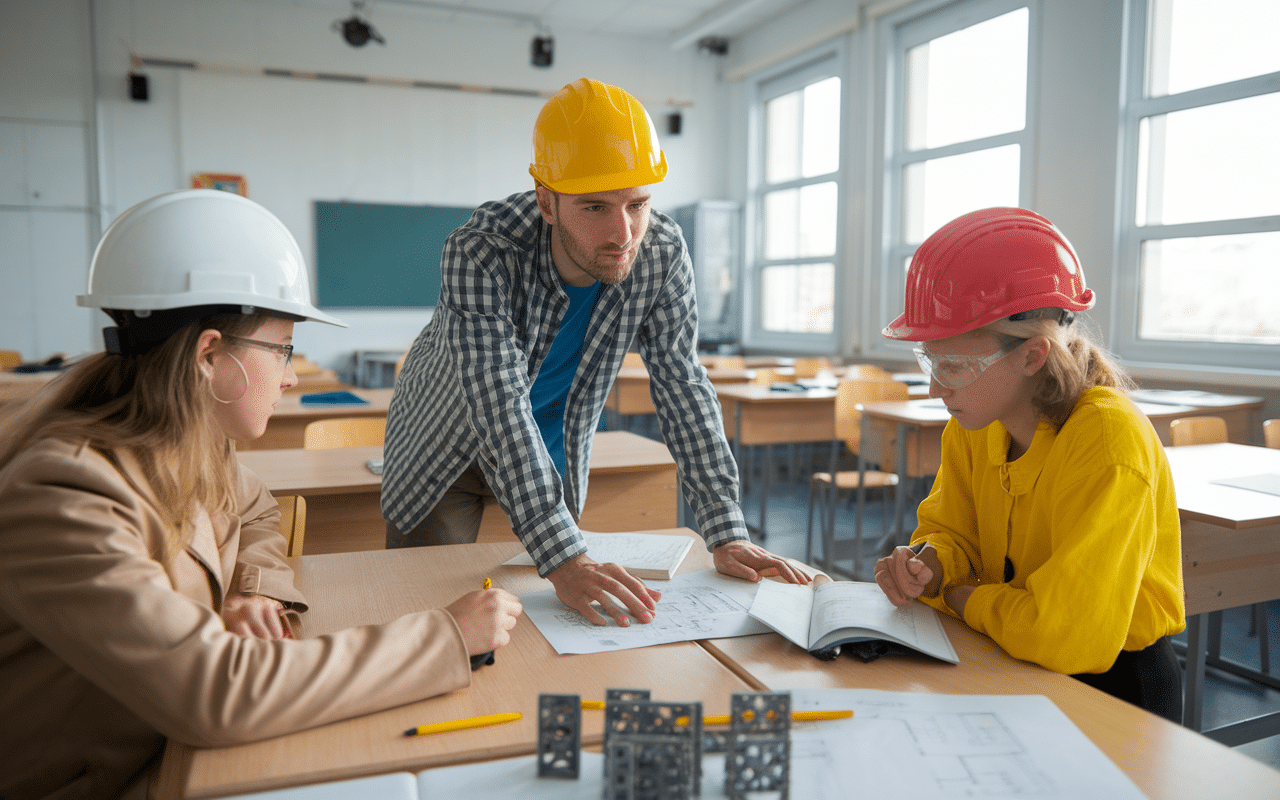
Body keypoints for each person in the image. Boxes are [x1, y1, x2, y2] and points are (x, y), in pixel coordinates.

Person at [0, 189, 523, 800]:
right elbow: (213, 692)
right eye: (284, 350)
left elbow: (254, 512)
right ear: (208, 355)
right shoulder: (61, 498)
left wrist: (250, 592)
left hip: (173, 755)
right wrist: (445, 637)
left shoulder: (191, 442)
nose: (292, 376)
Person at [382, 77, 808, 628]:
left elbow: (682, 385)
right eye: (595, 208)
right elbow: (499, 406)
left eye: (638, 204)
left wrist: (725, 528)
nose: (623, 233)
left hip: (552, 447)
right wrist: (564, 556)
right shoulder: (481, 250)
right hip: (446, 443)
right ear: (546, 201)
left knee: (557, 621)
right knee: (431, 618)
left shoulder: (662, 252)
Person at [872, 207, 1185, 722]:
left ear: (1032, 356)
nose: (936, 386)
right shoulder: (973, 424)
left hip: (1114, 687)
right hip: (1004, 655)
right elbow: (953, 532)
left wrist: (961, 598)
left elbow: (1066, 635)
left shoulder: (1106, 439)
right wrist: (932, 565)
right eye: (930, 361)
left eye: (953, 366)